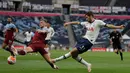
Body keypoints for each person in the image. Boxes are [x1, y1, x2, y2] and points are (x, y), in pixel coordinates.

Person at [52, 11, 124, 72]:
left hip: (88, 42)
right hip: (83, 40)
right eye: (85, 17)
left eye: (87, 17)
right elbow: (77, 22)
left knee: (73, 52)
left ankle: (55, 60)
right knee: (74, 55)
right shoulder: (86, 23)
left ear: (91, 16)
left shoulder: (98, 22)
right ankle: (87, 64)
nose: (86, 18)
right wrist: (68, 23)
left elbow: (108, 25)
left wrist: (118, 27)